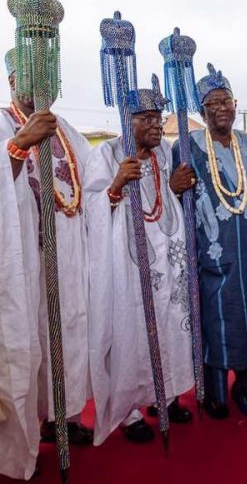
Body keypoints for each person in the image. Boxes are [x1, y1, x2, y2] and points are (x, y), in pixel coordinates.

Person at [85, 75, 195, 443]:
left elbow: (163, 200)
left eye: (157, 117)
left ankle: (164, 396)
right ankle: (130, 411)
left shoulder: (164, 153)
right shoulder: (106, 153)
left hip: (167, 254)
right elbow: (89, 209)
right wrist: (115, 185)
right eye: (144, 117)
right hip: (127, 262)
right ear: (125, 119)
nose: (155, 124)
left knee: (168, 324)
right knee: (132, 330)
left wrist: (175, 188)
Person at [0, 49, 91, 479]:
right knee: (25, 348)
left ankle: (63, 417)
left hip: (68, 258)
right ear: (13, 79)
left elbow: (88, 187)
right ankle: (19, 448)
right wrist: (17, 147)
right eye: (31, 76)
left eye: (48, 75)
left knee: (67, 334)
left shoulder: (67, 130)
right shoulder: (3, 121)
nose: (40, 85)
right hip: (20, 263)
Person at [180, 64, 247, 419]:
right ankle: (213, 392)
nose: (222, 108)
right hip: (214, 246)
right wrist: (174, 184)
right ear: (202, 110)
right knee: (218, 318)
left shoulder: (246, 143)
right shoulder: (187, 145)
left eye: (227, 101)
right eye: (214, 103)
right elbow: (178, 193)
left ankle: (243, 388)